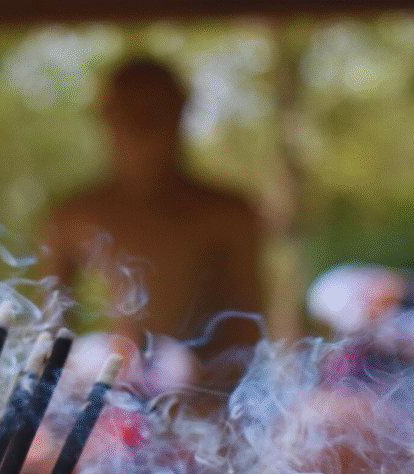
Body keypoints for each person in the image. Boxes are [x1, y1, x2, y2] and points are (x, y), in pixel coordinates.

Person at [42, 57, 264, 370]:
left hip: (207, 402)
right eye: (129, 109)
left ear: (181, 110)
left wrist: (199, 386)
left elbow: (247, 327)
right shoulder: (73, 216)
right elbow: (50, 327)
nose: (140, 122)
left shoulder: (227, 214)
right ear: (106, 115)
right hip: (105, 399)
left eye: (153, 110)